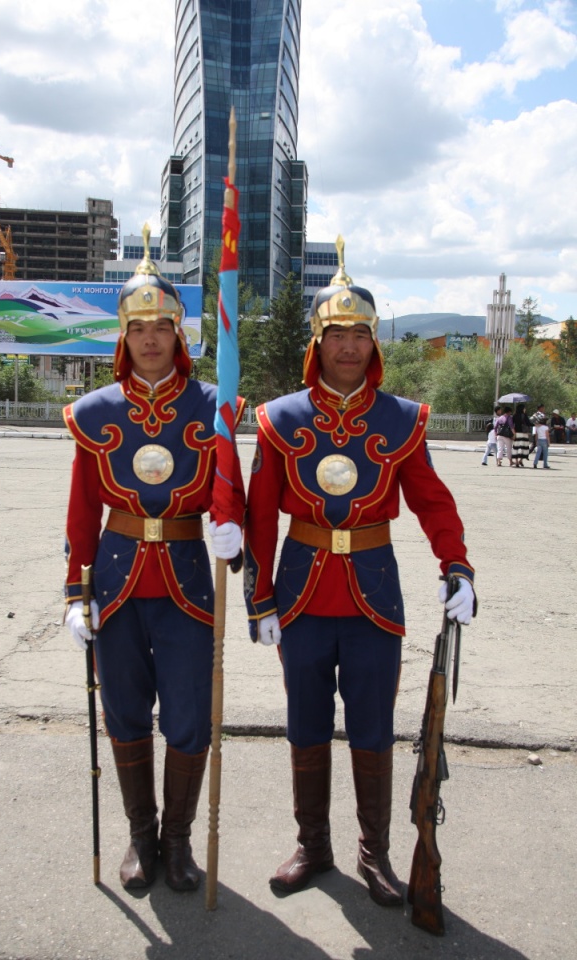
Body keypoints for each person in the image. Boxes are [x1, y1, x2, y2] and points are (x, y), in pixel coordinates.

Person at [243, 237, 476, 908]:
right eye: (336, 333)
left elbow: (431, 500)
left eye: (360, 335)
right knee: (306, 724)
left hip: (374, 595)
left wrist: (455, 561)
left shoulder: (401, 419)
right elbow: (261, 518)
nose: (348, 346)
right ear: (317, 341)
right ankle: (313, 846)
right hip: (302, 594)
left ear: (375, 344)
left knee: (373, 729)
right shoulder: (280, 418)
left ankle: (374, 856)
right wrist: (260, 600)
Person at [63, 230, 245, 893]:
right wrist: (73, 591)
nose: (149, 339)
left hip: (189, 578)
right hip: (114, 578)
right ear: (123, 335)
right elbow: (83, 509)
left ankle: (178, 842)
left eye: (160, 326)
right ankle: (141, 840)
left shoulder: (210, 407)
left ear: (179, 333)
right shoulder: (95, 412)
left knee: (191, 716)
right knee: (126, 713)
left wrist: (233, 529)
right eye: (137, 327)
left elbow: (231, 492)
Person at [511, 403, 532, 467]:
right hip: (524, 434)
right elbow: (528, 423)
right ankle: (521, 460)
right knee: (523, 448)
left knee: (516, 447)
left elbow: (512, 424)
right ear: (522, 409)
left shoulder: (514, 415)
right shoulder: (524, 415)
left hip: (517, 433)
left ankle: (516, 462)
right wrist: (535, 424)